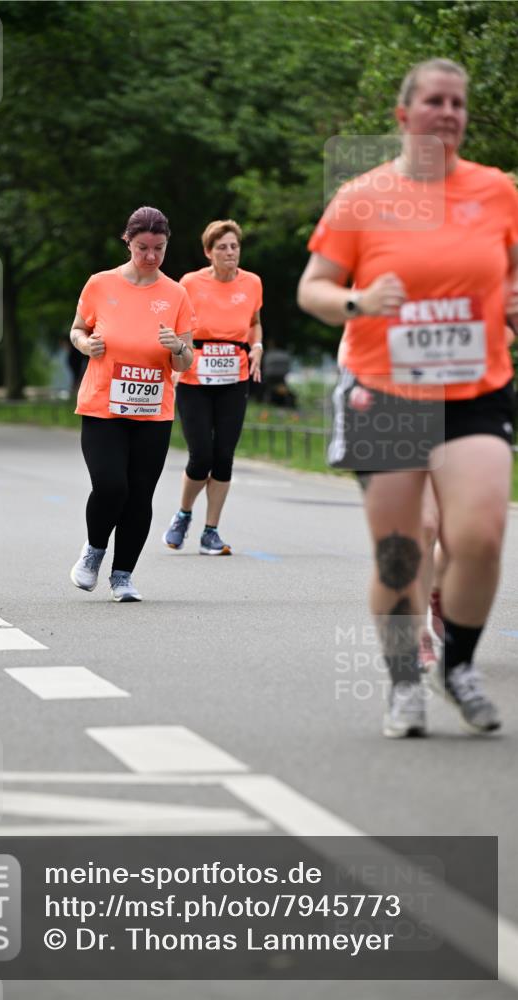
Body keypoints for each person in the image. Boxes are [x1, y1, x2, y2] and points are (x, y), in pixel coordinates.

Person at [298, 58, 518, 737]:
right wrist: (358, 299)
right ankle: (402, 685)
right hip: (385, 391)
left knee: (479, 535)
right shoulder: (360, 198)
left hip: (474, 388)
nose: (447, 112)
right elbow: (313, 288)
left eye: (457, 102)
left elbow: (508, 276)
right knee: (400, 552)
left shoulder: (497, 192)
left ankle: (456, 665)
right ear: (403, 115)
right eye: (433, 101)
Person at [69, 206, 194, 602]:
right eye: (143, 248)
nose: (151, 256)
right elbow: (76, 329)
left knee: (140, 494)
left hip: (153, 410)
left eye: (159, 248)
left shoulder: (176, 294)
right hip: (103, 404)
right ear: (128, 242)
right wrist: (86, 344)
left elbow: (185, 360)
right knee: (110, 486)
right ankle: (93, 550)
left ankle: (122, 575)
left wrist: (179, 350)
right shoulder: (100, 284)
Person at [162, 220, 263, 555]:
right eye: (222, 247)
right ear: (209, 252)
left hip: (235, 375)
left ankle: (211, 531)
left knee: (224, 456)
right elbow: (176, 325)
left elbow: (254, 323)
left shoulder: (252, 283)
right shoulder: (190, 283)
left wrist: (257, 348)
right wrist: (175, 356)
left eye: (234, 246)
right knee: (201, 454)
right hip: (195, 376)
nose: (230, 252)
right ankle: (184, 513)